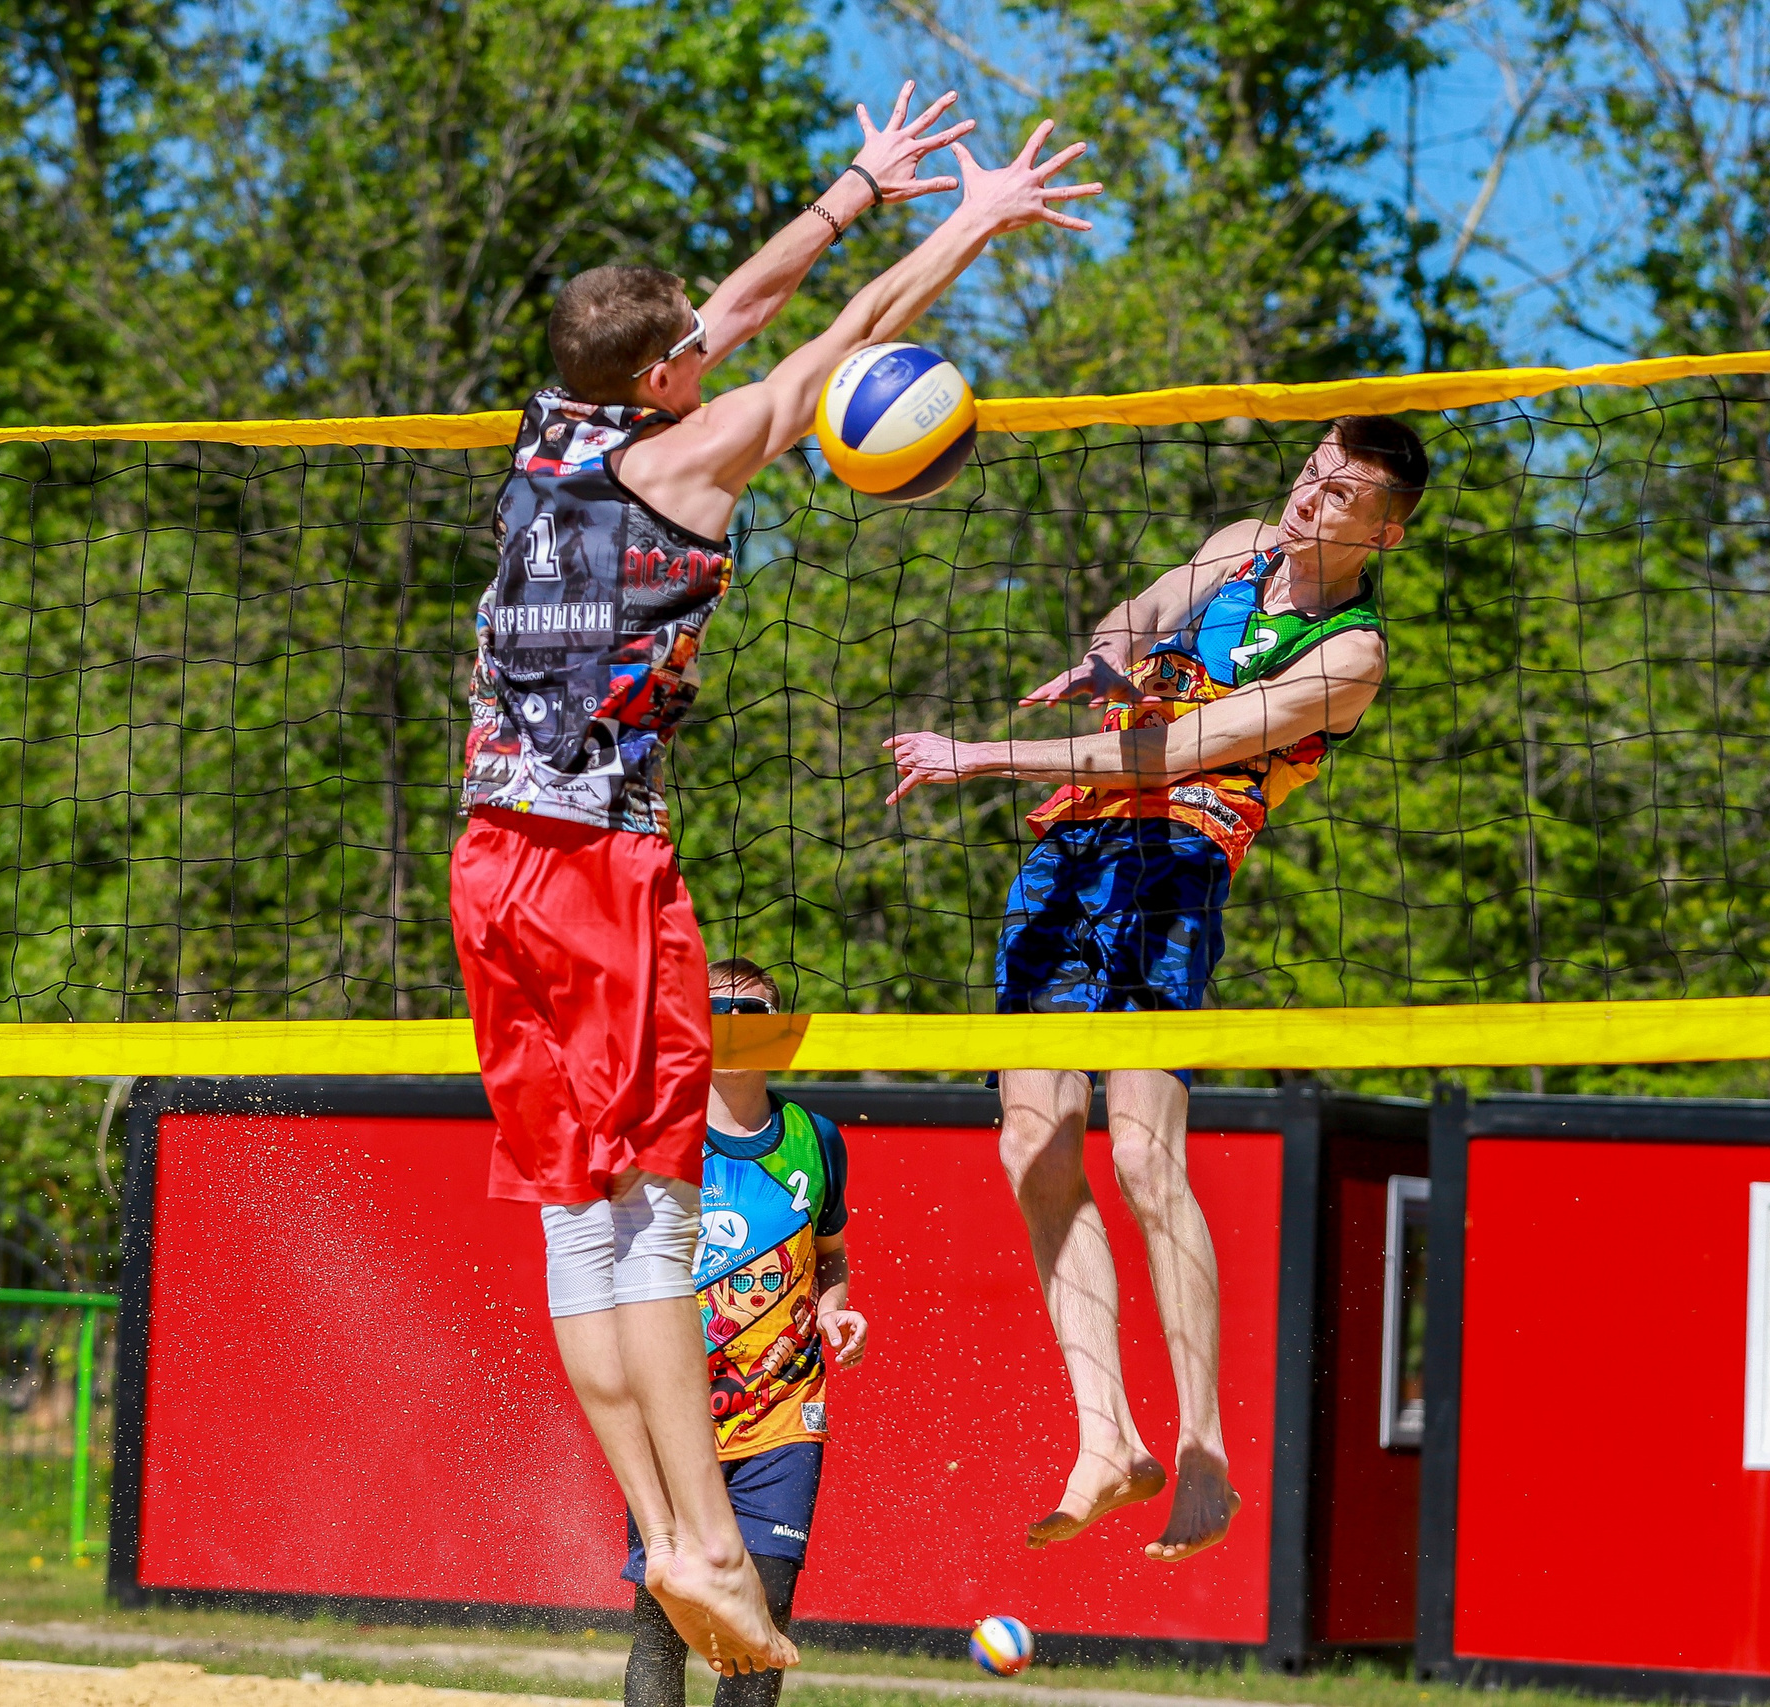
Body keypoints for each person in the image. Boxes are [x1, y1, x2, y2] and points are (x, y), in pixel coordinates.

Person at [449, 84, 1098, 1672]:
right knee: (659, 1213)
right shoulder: (687, 465)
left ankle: (667, 1529)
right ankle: (705, 1536)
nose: (712, 342)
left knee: (579, 1222)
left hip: (487, 859)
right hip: (602, 866)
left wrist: (854, 187)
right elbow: (833, 344)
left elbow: (734, 309)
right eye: (690, 346)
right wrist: (968, 220)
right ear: (662, 377)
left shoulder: (555, 430)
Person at [881, 417, 1429, 1562]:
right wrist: (1109, 660)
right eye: (1311, 472)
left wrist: (978, 757)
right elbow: (1130, 618)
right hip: (1069, 854)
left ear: (1385, 532)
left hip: (1172, 865)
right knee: (1031, 1140)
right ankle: (1104, 1439)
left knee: (1140, 1154)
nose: (1310, 496)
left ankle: (1204, 1452)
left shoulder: (1349, 655)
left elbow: (1170, 756)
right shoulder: (1238, 545)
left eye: (1341, 494)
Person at [622, 958, 863, 1707]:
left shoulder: (815, 1138)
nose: (730, 1025)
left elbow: (831, 1253)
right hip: (675, 1412)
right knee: (666, 1620)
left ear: (779, 1032)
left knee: (765, 1615)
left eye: (749, 1013)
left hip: (783, 1412)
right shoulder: (657, 1133)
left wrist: (834, 1307)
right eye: (714, 1011)